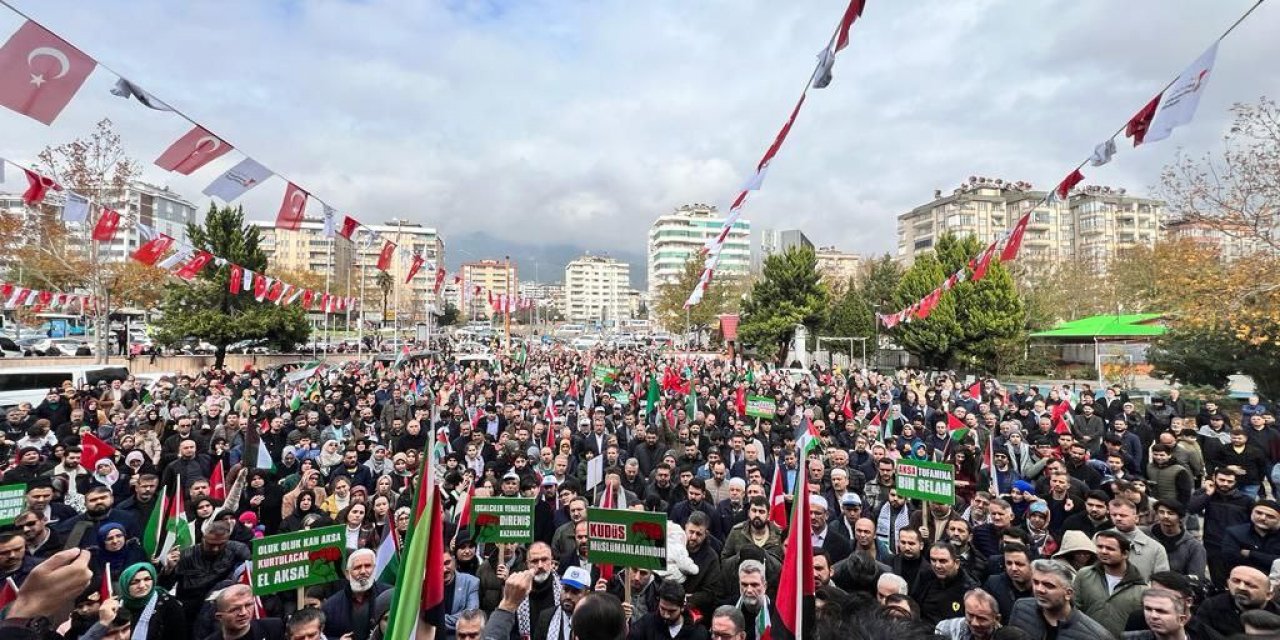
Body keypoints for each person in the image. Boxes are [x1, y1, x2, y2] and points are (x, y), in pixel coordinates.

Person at [1007, 559, 1111, 640]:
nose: (1039, 589)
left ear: (1068, 593)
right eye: (1036, 582)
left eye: (1048, 585)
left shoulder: (1093, 635)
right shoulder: (1021, 608)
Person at [1071, 531, 1147, 638]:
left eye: (1110, 548)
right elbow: (1073, 609)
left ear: (1125, 554)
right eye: (1100, 547)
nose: (1103, 551)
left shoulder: (1141, 588)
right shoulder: (1084, 575)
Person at [1191, 565, 1280, 640]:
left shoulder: (1277, 614)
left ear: (1269, 595)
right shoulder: (1211, 606)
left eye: (1250, 585)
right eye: (1236, 581)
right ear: (1228, 583)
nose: (1241, 587)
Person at [322, 548, 390, 640]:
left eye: (367, 566)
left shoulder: (389, 596)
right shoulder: (331, 606)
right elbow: (323, 637)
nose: (363, 572)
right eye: (357, 567)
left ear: (374, 569)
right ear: (347, 574)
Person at [910, 542, 979, 626]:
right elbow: (913, 605)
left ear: (956, 563)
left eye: (943, 561)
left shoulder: (969, 589)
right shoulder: (925, 576)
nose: (937, 566)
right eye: (933, 560)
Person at [116, 562, 189, 640]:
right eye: (135, 582)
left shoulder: (169, 605)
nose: (142, 586)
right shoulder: (118, 604)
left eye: (147, 579)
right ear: (125, 585)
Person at [625, 581, 707, 640]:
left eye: (671, 611)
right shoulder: (647, 623)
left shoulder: (697, 632)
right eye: (662, 608)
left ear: (682, 607)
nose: (666, 615)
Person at [204, 584, 285, 640]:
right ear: (219, 617)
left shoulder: (274, 628)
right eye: (235, 609)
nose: (244, 612)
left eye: (248, 605)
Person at [1222, 499, 1280, 574]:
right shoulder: (1235, 533)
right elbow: (1230, 561)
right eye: (1258, 513)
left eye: (1270, 516)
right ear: (1251, 513)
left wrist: (1251, 554)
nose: (1262, 518)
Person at [534, 566, 587, 640]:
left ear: (586, 594)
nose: (568, 596)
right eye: (565, 589)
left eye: (575, 592)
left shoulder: (592, 621)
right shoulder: (546, 617)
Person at [935, 588, 1002, 640]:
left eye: (981, 618)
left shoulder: (1005, 636)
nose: (974, 623)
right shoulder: (952, 627)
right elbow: (939, 628)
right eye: (970, 615)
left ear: (997, 619)